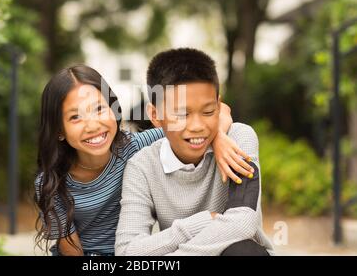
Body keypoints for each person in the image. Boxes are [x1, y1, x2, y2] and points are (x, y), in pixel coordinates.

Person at [34, 64, 255, 256]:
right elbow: (72, 250)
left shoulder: (135, 146)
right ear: (59, 131)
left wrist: (219, 138)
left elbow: (216, 111)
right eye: (75, 117)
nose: (92, 125)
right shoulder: (51, 182)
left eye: (99, 109)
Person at [115, 48, 274, 256]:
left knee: (242, 250)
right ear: (155, 115)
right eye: (182, 114)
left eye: (208, 112)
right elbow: (128, 251)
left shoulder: (239, 139)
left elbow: (243, 221)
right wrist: (203, 221)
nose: (198, 126)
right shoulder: (142, 166)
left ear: (219, 105)